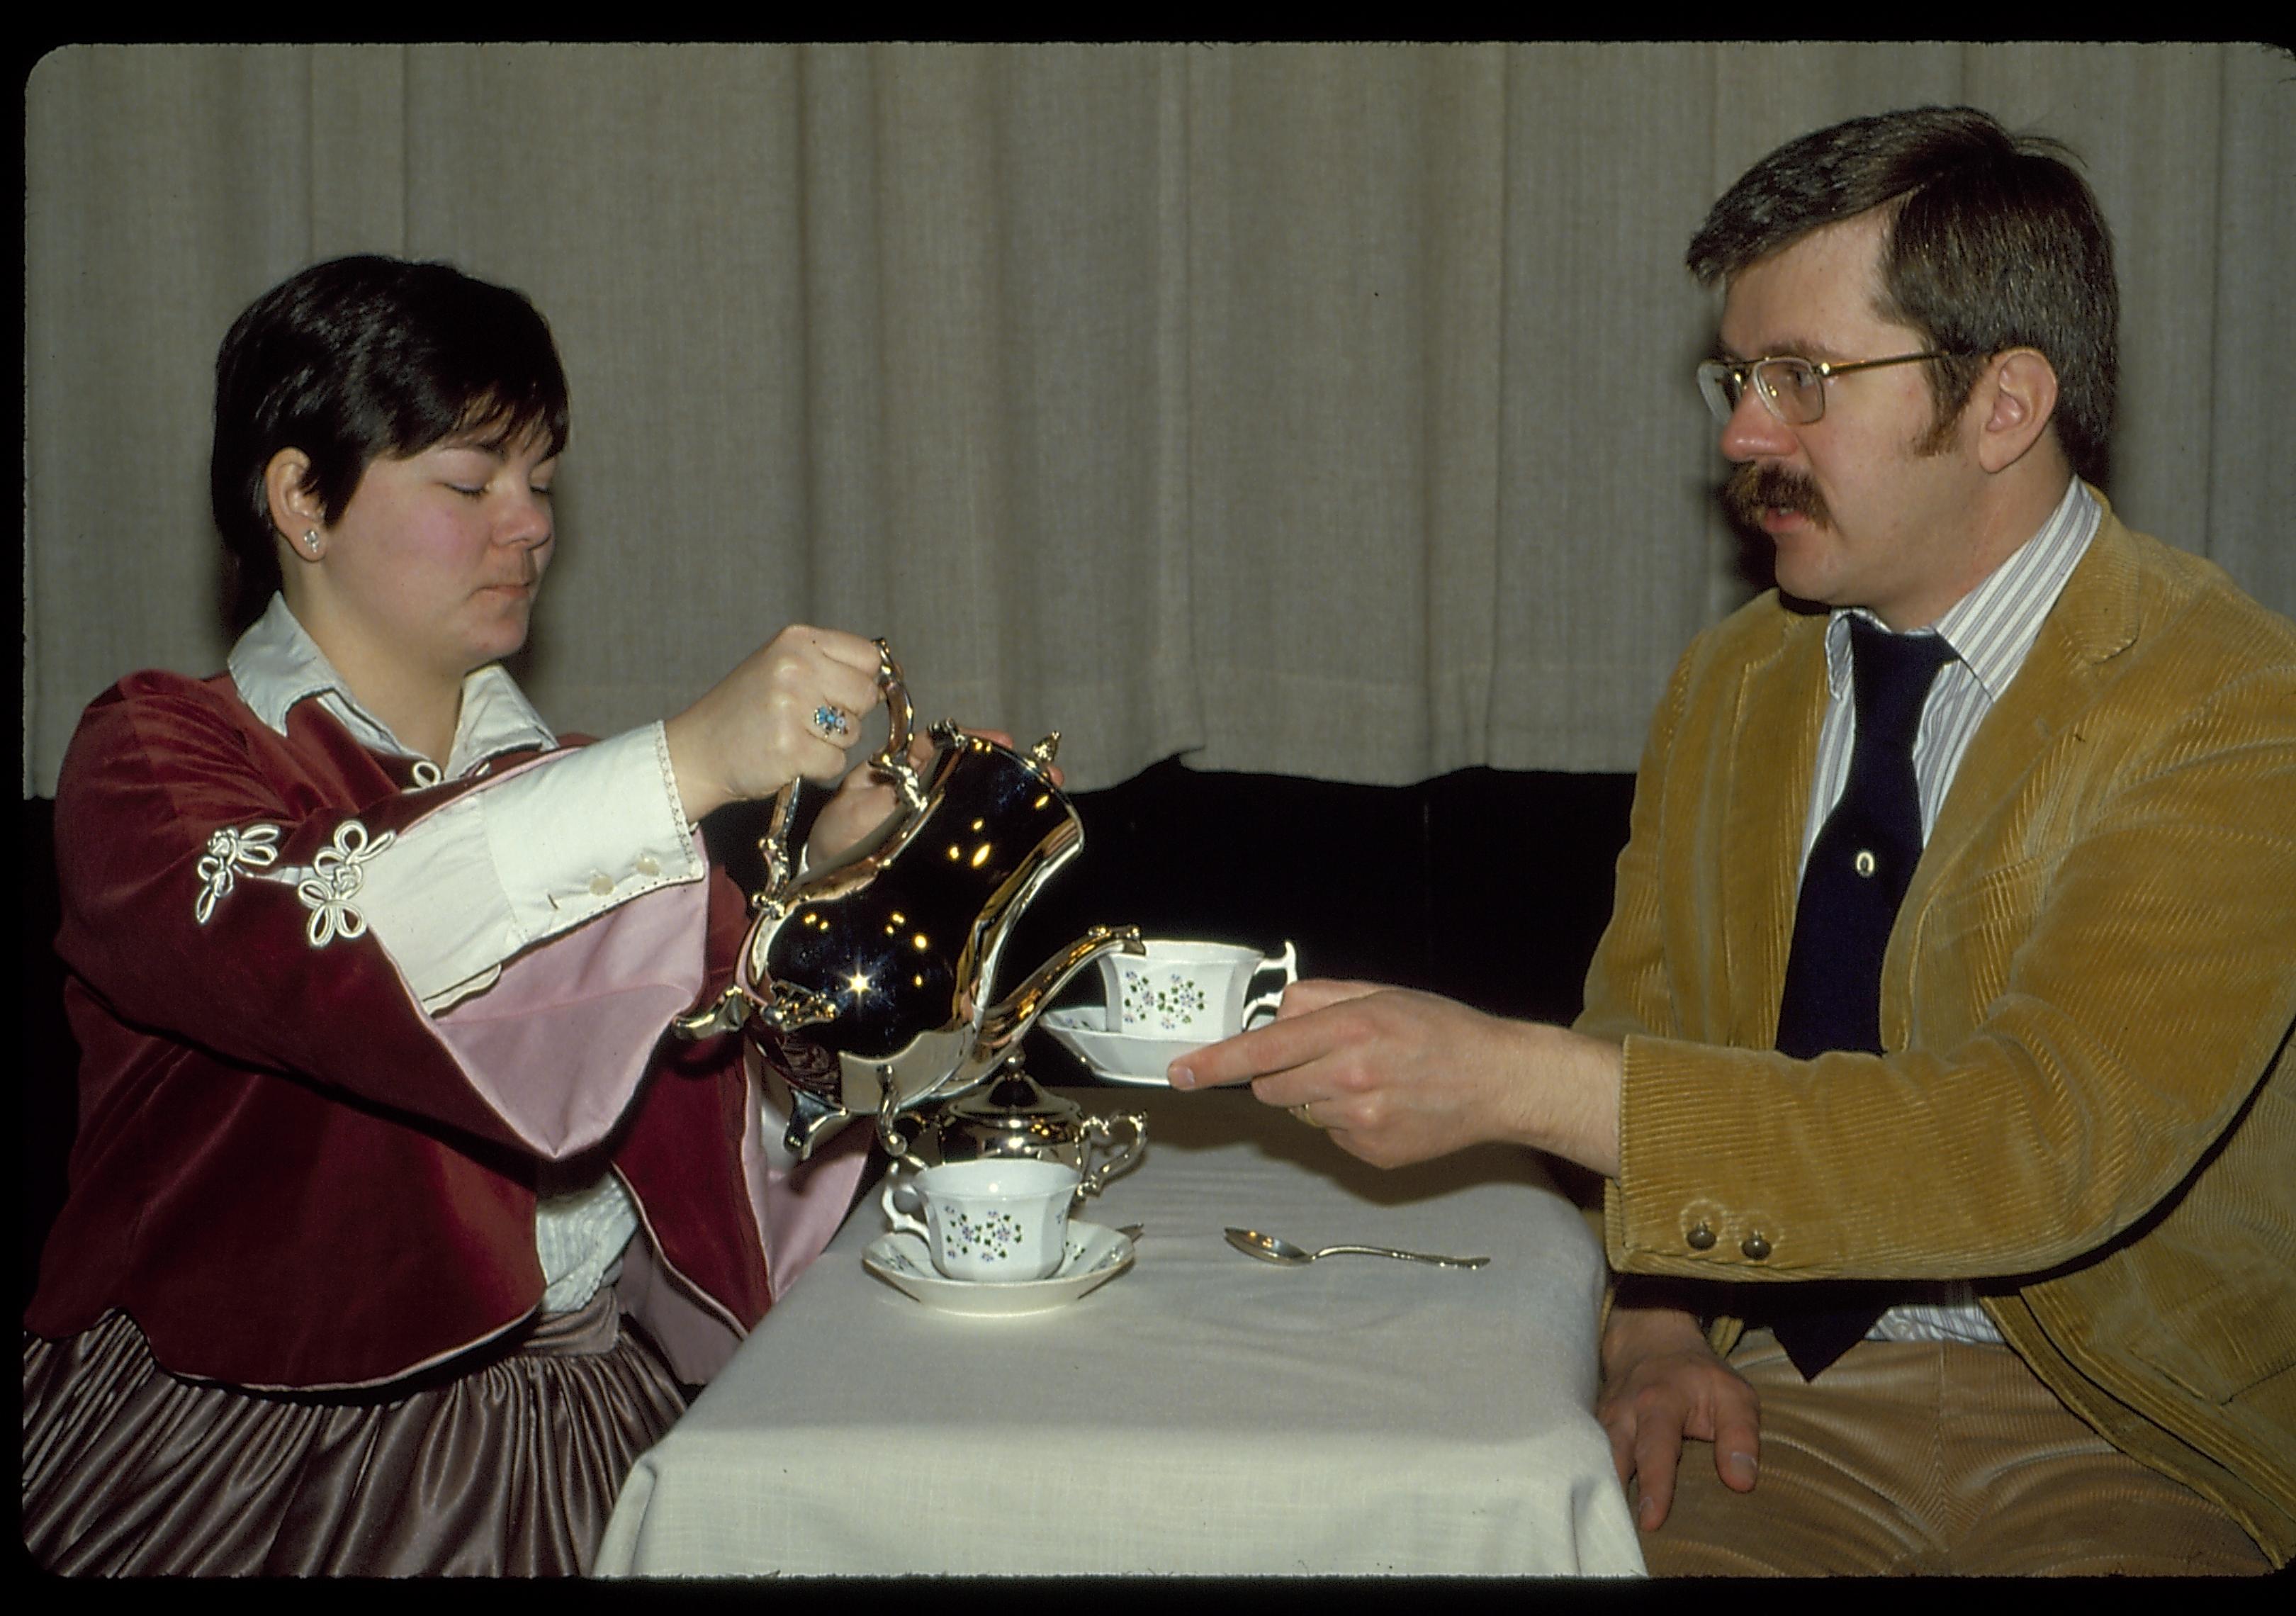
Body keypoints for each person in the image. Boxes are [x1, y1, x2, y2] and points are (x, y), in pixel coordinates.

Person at [1172, 107, 2293, 1575]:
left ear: (2003, 406)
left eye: (1801, 379)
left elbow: (2040, 1143)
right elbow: (1654, 1022)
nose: (1744, 434)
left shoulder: (2229, 704)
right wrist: (1650, 1324)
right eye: (1741, 375)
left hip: (2127, 1425)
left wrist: (1522, 1078)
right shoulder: (1734, 684)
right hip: (1775, 1409)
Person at [22, 254, 938, 1575]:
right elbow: (346, 943)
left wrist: (859, 891)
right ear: (300, 499)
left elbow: (772, 1131)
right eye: (468, 481)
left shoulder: (583, 799)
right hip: (253, 1454)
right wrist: (681, 763)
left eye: (542, 482)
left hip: (590, 1418)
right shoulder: (156, 759)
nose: (529, 526)